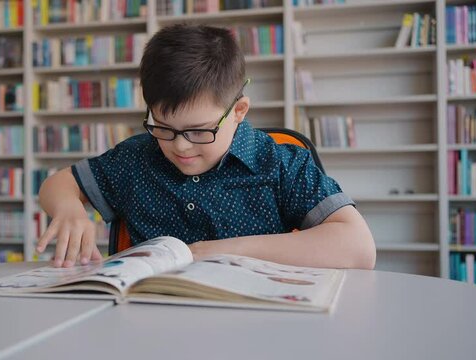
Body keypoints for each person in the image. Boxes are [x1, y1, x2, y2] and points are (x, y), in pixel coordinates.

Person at [37, 24, 376, 270]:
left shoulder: (279, 162)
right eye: (163, 127)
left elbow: (358, 247)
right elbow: (58, 183)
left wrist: (218, 252)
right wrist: (69, 208)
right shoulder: (136, 157)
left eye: (199, 131)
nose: (180, 146)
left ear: (238, 111)